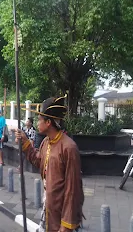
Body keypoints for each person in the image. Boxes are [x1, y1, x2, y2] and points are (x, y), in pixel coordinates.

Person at [15, 96, 84, 232]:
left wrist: (66, 224)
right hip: (48, 209)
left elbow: (73, 189)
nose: (37, 123)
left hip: (62, 214)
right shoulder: (46, 142)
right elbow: (38, 160)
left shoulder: (68, 147)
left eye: (39, 120)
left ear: (48, 122)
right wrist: (25, 141)